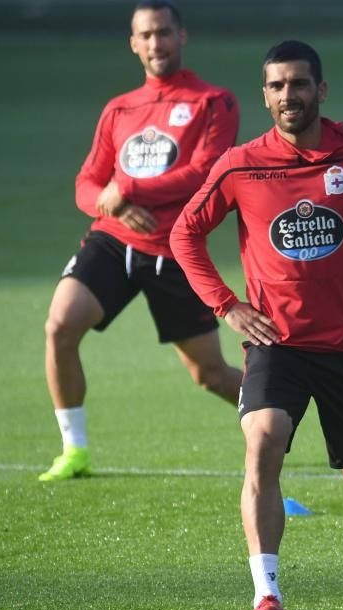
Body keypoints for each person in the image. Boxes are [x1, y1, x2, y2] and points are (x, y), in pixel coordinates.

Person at [170, 40, 343, 610]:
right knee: (263, 443)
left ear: (322, 90)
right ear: (264, 94)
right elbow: (184, 233)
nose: (287, 95)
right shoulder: (242, 164)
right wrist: (227, 304)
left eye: (298, 84)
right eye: (276, 86)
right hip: (276, 346)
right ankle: (265, 595)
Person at [40, 0, 243, 481]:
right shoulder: (119, 109)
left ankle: (282, 407)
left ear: (182, 36)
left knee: (209, 375)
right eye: (146, 35)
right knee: (60, 327)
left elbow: (203, 175)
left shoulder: (214, 102)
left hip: (175, 249)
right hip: (111, 242)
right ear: (133, 43)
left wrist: (127, 188)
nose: (156, 43)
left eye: (164, 33)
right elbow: (86, 185)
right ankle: (75, 450)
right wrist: (109, 202)